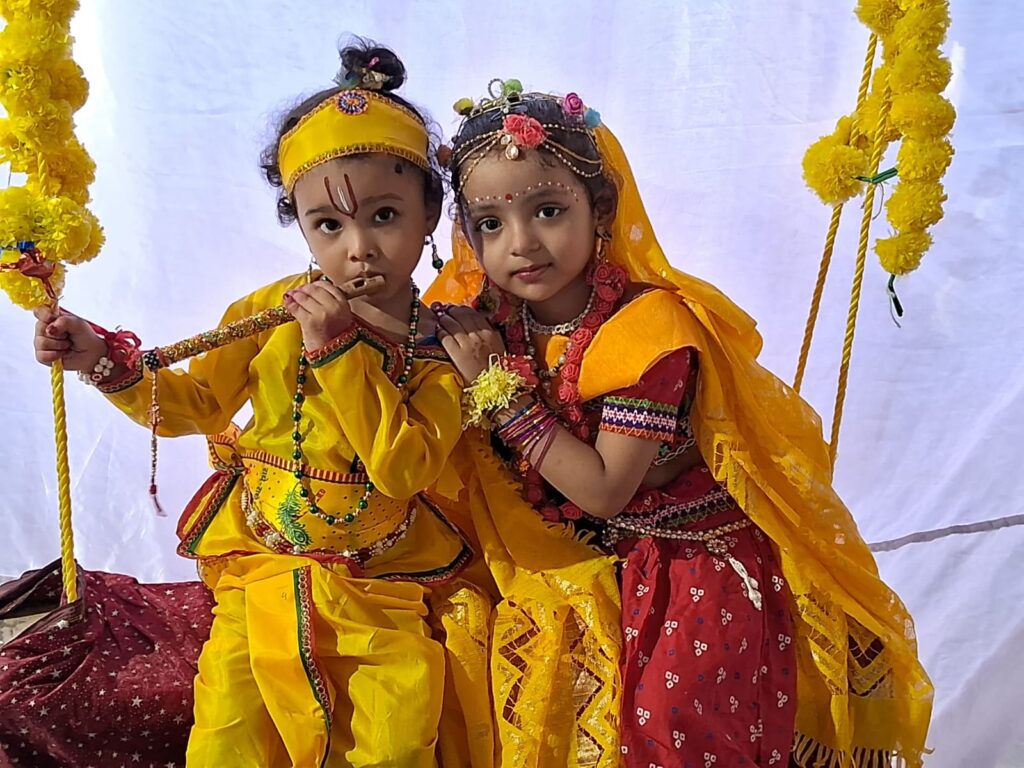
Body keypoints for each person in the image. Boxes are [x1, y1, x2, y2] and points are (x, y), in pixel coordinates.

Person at [428, 78, 933, 767]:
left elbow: (604, 489)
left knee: (672, 736)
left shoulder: (649, 331)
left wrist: (502, 397)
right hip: (568, 570)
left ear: (599, 208)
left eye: (547, 209)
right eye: (490, 223)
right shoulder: (488, 321)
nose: (521, 243)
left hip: (687, 573)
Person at [34, 40, 472, 767]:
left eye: (385, 215)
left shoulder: (445, 346)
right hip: (260, 571)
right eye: (329, 226)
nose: (358, 248)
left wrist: (337, 352)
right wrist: (101, 360)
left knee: (396, 743)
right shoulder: (271, 313)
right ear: (299, 225)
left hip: (381, 589)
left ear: (430, 211)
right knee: (228, 738)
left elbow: (403, 470)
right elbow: (192, 405)